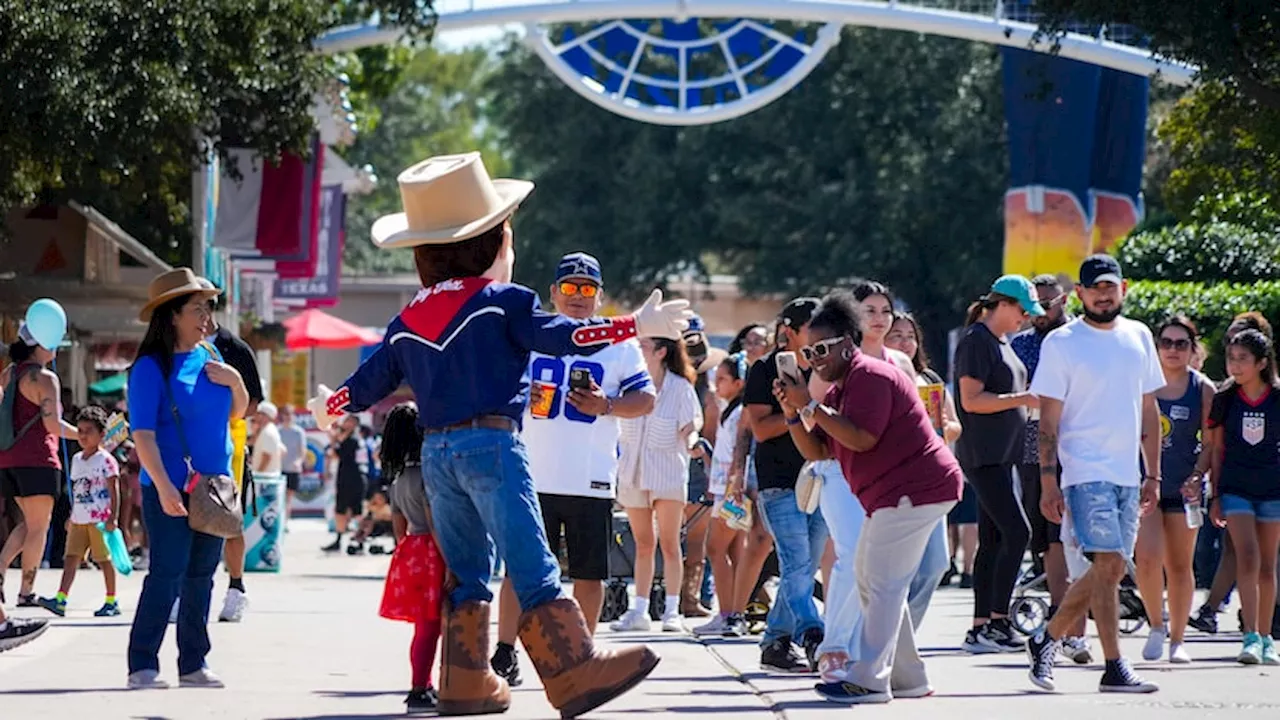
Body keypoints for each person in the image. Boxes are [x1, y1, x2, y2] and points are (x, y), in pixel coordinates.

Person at [307, 152, 688, 717]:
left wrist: (329, 407)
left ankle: (464, 682)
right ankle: (574, 669)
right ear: (490, 243)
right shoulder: (503, 301)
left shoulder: (410, 315)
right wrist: (634, 325)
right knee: (533, 563)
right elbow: (563, 337)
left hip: (436, 454)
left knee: (467, 572)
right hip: (492, 444)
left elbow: (368, 383)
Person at [779, 290, 962, 704]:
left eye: (823, 349)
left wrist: (810, 403)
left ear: (849, 341)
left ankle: (869, 678)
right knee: (872, 579)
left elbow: (862, 439)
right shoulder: (842, 388)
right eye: (808, 353)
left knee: (880, 582)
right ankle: (908, 677)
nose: (815, 359)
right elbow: (820, 450)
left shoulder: (871, 377)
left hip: (916, 490)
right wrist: (795, 414)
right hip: (898, 494)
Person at [493, 252, 655, 685]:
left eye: (587, 289)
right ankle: (504, 652)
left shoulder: (619, 344)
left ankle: (578, 657)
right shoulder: (533, 334)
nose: (578, 297)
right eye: (569, 288)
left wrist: (606, 406)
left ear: (600, 296)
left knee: (590, 572)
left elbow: (646, 399)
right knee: (518, 568)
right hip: (532, 475)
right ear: (553, 293)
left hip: (591, 476)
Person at [1026, 254, 1164, 694]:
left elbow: (1148, 408)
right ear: (1080, 294)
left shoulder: (1139, 336)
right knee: (1106, 562)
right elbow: (1047, 421)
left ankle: (1046, 638)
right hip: (1083, 471)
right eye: (1095, 288)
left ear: (1122, 289)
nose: (1104, 295)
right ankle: (1114, 666)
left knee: (1112, 567)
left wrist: (1153, 474)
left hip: (1128, 472)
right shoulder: (1063, 342)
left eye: (1111, 286)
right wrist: (1049, 481)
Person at [126, 267, 246, 689]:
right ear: (172, 315)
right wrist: (161, 486)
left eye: (207, 307)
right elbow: (141, 434)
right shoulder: (148, 369)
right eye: (197, 308)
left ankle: (194, 664)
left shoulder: (212, 358)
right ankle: (142, 664)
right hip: (171, 490)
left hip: (212, 490)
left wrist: (236, 382)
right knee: (167, 574)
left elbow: (236, 413)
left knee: (201, 577)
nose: (206, 316)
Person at [730, 297, 829, 673]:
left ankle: (775, 643)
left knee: (802, 567)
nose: (822, 335)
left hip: (820, 476)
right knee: (797, 561)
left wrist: (810, 407)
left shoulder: (827, 367)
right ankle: (813, 634)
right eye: (813, 327)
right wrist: (799, 410)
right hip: (778, 483)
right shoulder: (764, 369)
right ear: (790, 331)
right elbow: (759, 428)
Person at [954, 275, 1039, 654]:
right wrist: (1023, 398)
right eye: (1022, 310)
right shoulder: (976, 340)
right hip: (983, 455)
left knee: (992, 541)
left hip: (1004, 456)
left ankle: (981, 627)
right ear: (1002, 304)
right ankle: (999, 621)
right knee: (1018, 534)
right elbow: (971, 400)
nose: (1025, 317)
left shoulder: (1001, 341)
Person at [1010, 274, 1091, 662]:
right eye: (1034, 304)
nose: (1041, 310)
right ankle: (1062, 622)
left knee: (1077, 536)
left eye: (1048, 301)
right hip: (1033, 444)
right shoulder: (1020, 344)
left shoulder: (1078, 338)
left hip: (1078, 442)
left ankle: (1077, 630)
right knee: (1048, 537)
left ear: (1064, 299)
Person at [1133, 316, 1213, 664]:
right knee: (1147, 559)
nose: (1173, 350)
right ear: (1156, 346)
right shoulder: (1141, 384)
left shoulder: (1203, 388)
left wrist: (1199, 475)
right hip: (1145, 484)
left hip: (1185, 488)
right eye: (1166, 342)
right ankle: (1155, 625)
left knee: (1180, 564)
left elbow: (1211, 443)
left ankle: (1178, 639)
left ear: (1193, 349)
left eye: (1182, 344)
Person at [610, 334, 702, 633]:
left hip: (668, 474)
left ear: (661, 352)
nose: (638, 349)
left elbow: (690, 425)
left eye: (645, 346)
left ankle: (672, 611)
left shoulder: (680, 388)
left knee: (670, 544)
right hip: (632, 473)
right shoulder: (629, 384)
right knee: (643, 545)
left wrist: (692, 443)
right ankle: (639, 611)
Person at [1206, 329, 1280, 665]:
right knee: (1246, 556)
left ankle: (1267, 638)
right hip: (1235, 488)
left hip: (1272, 488)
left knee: (1267, 564)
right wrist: (1215, 494)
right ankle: (1249, 635)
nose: (1235, 366)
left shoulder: (1277, 398)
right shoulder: (1224, 400)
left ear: (1262, 363)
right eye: (1231, 358)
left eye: (1243, 359)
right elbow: (1217, 449)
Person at [198, 278, 264, 625]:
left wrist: (227, 411)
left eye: (201, 306)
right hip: (189, 442)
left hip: (229, 443)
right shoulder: (178, 349)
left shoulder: (235, 349)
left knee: (227, 517)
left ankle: (236, 588)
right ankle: (190, 591)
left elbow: (254, 402)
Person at [0, 319, 79, 610]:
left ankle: (1, 574)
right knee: (38, 529)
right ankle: (26, 593)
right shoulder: (45, 379)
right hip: (38, 460)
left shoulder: (10, 373)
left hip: (8, 459)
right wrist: (81, 435)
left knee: (28, 524)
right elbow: (52, 425)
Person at [378, 403, 445, 713]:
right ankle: (421, 687)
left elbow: (398, 526)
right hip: (433, 550)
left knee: (423, 626)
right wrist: (450, 563)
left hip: (411, 550)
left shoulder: (399, 478)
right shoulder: (427, 476)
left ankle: (422, 682)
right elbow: (434, 521)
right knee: (434, 627)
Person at [37, 405, 122, 618]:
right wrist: (72, 515)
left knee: (103, 559)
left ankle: (111, 599)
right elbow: (77, 489)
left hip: (100, 519)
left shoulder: (106, 461)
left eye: (88, 431)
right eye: (80, 430)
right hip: (79, 517)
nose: (83, 435)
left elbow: (114, 489)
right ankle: (61, 599)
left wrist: (113, 516)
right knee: (71, 558)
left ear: (102, 434)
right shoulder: (76, 459)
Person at [693, 352, 751, 637]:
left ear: (739, 383)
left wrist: (730, 487)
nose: (717, 385)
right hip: (725, 490)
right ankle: (733, 612)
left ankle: (729, 613)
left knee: (715, 549)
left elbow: (739, 455)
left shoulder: (740, 413)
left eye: (723, 380)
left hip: (732, 493)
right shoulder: (730, 411)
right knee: (732, 551)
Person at [322, 415, 366, 552]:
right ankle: (340, 539)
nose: (345, 423)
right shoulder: (351, 439)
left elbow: (336, 454)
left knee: (356, 511)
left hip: (353, 479)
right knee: (341, 510)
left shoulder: (353, 440)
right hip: (347, 478)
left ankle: (359, 539)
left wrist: (334, 440)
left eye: (349, 421)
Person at [278, 405, 306, 522]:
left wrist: (299, 461)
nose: (288, 417)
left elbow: (302, 451)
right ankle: (279, 521)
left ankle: (285, 521)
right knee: (279, 497)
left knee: (288, 498)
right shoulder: (277, 430)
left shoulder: (299, 432)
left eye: (290, 414)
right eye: (286, 414)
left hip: (293, 470)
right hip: (279, 469)